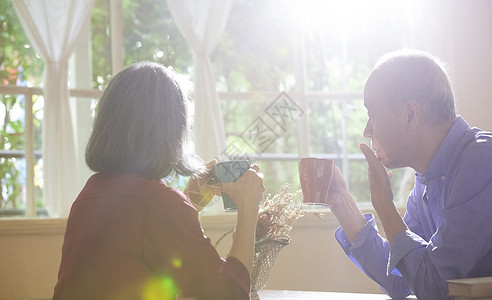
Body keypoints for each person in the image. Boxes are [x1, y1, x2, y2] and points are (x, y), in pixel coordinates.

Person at [52, 62, 265, 300]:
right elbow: (230, 295)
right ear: (172, 131)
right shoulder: (158, 203)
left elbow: (138, 255)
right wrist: (248, 206)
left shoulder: (89, 195)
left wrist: (188, 201)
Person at [326, 50, 492, 300]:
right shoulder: (425, 182)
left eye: (372, 114)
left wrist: (384, 205)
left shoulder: (482, 160)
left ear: (410, 115)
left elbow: (433, 286)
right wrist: (342, 204)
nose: (366, 130)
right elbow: (404, 282)